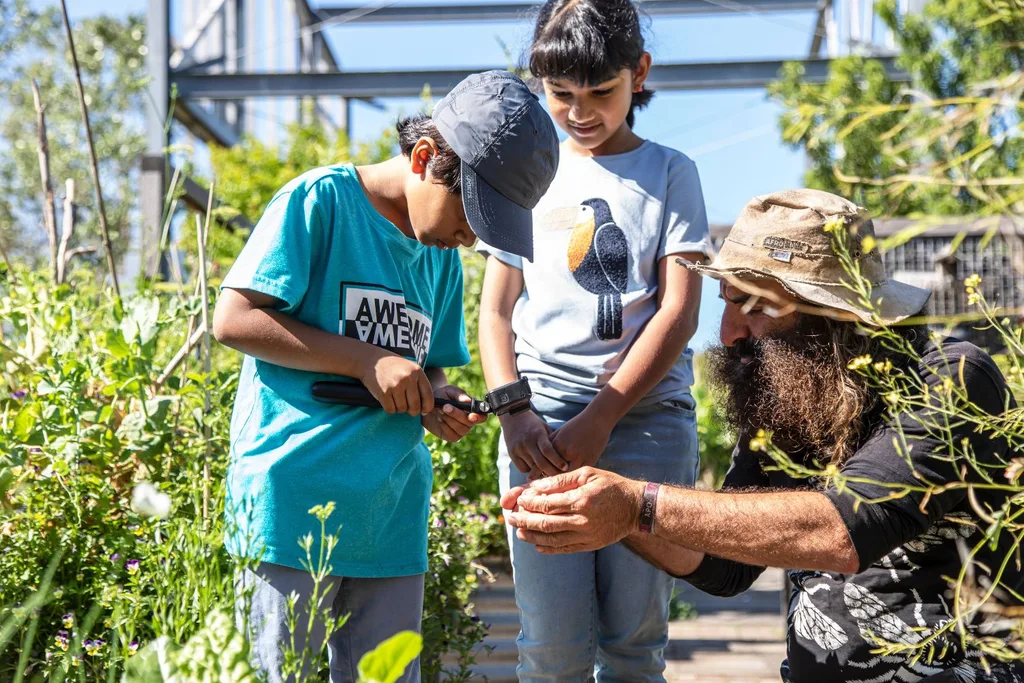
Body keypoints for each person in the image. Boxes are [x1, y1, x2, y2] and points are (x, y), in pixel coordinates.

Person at [501, 189, 1024, 683]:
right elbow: (726, 565)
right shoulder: (794, 399)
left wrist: (637, 505)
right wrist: (604, 514)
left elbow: (843, 530)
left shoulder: (951, 379)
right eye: (728, 302)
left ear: (838, 311)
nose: (728, 333)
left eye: (756, 306)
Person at [211, 71, 559, 683]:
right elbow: (233, 319)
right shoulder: (322, 202)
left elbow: (426, 367)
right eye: (472, 214)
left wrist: (436, 401)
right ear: (425, 158)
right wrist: (362, 359)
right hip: (294, 505)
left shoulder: (441, 255)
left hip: (389, 515)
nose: (472, 236)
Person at [477, 1, 711, 680]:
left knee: (634, 640)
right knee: (551, 643)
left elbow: (677, 311)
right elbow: (496, 312)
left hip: (643, 426)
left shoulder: (671, 173)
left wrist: (603, 415)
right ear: (538, 82)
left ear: (639, 73)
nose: (580, 111)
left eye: (601, 92)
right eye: (561, 95)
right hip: (541, 432)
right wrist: (513, 412)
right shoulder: (525, 174)